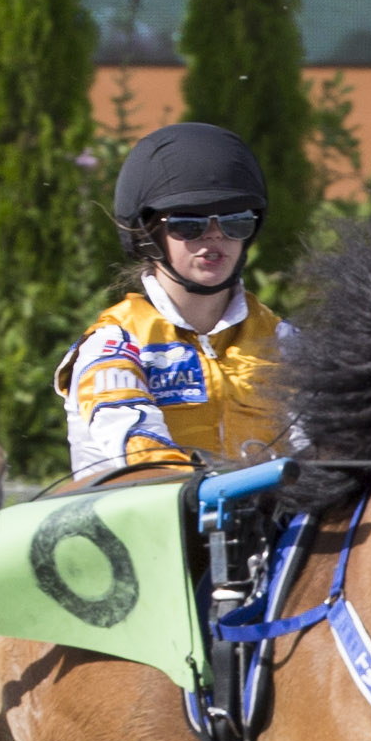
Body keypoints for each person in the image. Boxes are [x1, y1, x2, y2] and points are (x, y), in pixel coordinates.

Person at [56, 120, 285, 482]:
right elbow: (145, 459)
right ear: (150, 232)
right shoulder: (114, 345)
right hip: (148, 515)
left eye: (236, 222)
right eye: (189, 224)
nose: (215, 236)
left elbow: (325, 450)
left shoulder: (285, 343)